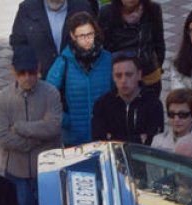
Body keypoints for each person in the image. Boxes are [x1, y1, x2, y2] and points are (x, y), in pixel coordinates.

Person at [0, 46, 63, 205]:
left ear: (38, 70)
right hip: (18, 174)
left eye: (30, 72)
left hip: (49, 173)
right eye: (21, 73)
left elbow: (54, 127)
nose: (26, 78)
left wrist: (22, 129)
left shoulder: (51, 93)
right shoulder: (3, 99)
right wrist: (37, 137)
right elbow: (4, 137)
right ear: (13, 72)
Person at [47, 12, 114, 146]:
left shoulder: (108, 59)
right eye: (82, 36)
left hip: (104, 134)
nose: (87, 39)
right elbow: (47, 95)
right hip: (73, 138)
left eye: (90, 34)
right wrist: (65, 120)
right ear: (73, 36)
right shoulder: (63, 62)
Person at [91, 51, 165, 144]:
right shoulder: (102, 105)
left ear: (139, 75)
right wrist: (139, 139)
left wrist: (112, 138)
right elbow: (99, 141)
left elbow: (154, 141)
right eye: (118, 75)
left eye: (129, 75)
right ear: (113, 77)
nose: (123, 80)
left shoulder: (153, 104)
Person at [9, 0, 95, 78]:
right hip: (40, 82)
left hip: (76, 80)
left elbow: (95, 41)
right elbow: (18, 43)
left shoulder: (83, 7)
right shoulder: (27, 9)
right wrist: (29, 72)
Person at [98, 0, 166, 98]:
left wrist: (156, 65)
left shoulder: (153, 10)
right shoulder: (107, 12)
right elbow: (103, 47)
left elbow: (159, 43)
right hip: (119, 78)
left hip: (148, 77)